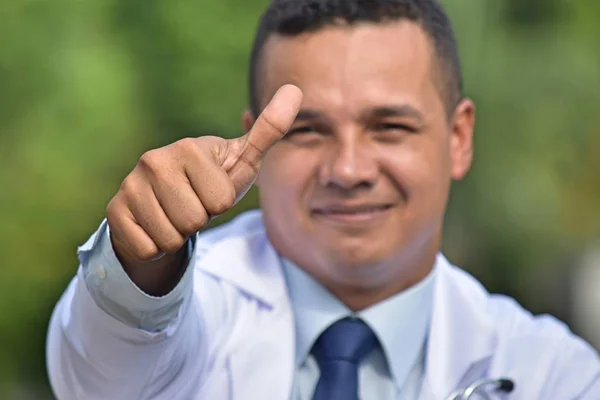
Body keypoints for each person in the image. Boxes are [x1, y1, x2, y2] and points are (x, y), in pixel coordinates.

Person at [45, 0, 600, 399]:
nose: (348, 170)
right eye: (306, 131)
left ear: (458, 138)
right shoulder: (191, 310)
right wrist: (141, 261)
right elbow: (101, 367)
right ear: (253, 142)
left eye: (389, 127)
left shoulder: (557, 375)